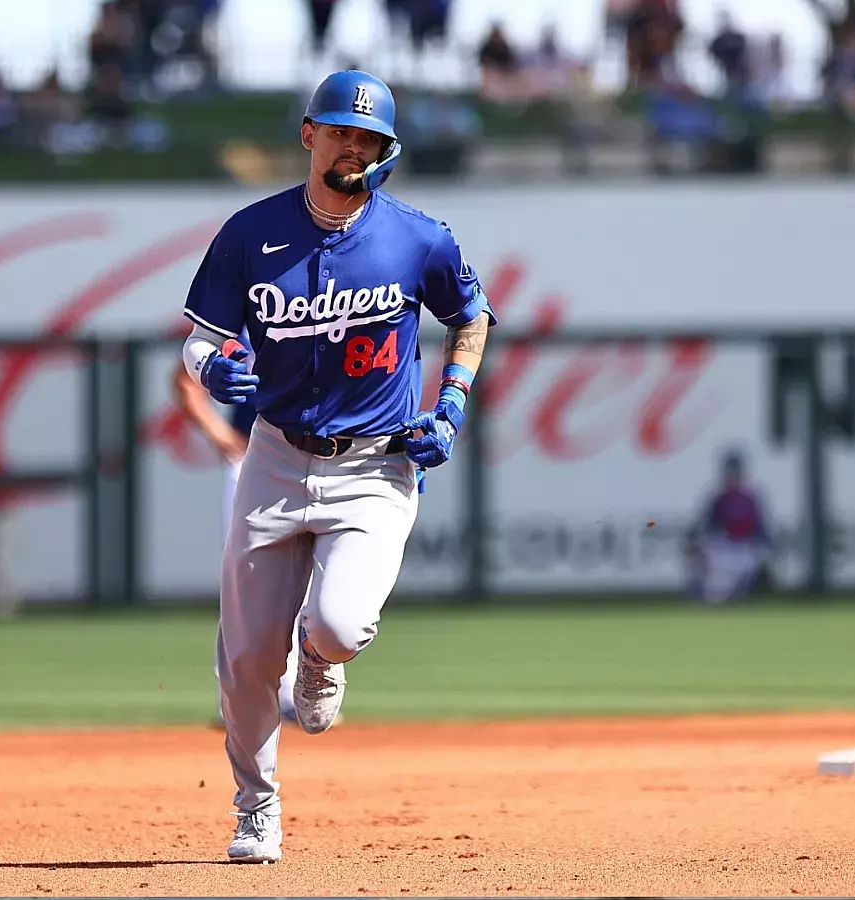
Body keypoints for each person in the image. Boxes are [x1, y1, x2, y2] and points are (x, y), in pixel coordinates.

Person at [180, 69, 495, 864]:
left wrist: (453, 399)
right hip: (276, 458)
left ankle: (321, 661)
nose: (353, 147)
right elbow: (199, 337)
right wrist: (212, 367)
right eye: (340, 131)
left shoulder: (419, 237)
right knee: (248, 656)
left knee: (338, 625)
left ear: (386, 151)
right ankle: (257, 808)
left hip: (376, 467)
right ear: (309, 135)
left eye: (369, 138)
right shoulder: (250, 233)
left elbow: (472, 317)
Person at [168, 343, 302, 728]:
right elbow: (183, 378)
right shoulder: (245, 318)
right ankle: (237, 697)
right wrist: (223, 438)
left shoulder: (333, 309)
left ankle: (293, 693)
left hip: (320, 457)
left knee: (310, 582)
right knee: (248, 580)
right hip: (255, 460)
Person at [689, 450, 769, 605]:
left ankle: (748, 596)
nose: (733, 477)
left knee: (743, 583)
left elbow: (761, 530)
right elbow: (706, 528)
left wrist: (764, 546)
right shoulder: (718, 498)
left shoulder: (749, 499)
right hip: (722, 550)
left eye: (735, 473)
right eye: (730, 473)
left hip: (746, 549)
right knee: (716, 594)